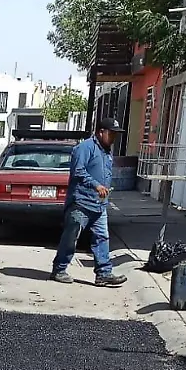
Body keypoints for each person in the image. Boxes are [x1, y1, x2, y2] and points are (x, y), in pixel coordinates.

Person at [51, 117, 128, 287]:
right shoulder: (84, 148)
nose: (114, 138)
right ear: (101, 132)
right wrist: (96, 185)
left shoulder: (107, 150)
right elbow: (78, 171)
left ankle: (103, 274)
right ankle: (59, 269)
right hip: (81, 202)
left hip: (99, 204)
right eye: (111, 134)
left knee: (102, 237)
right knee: (71, 237)